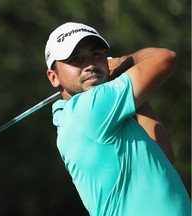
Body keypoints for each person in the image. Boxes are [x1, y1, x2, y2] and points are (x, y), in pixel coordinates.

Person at [44, 22, 190, 216]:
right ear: (54, 78)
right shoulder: (88, 109)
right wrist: (125, 61)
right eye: (75, 59)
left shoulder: (95, 117)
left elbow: (163, 154)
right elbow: (165, 58)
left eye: (96, 54)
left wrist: (124, 84)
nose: (89, 65)